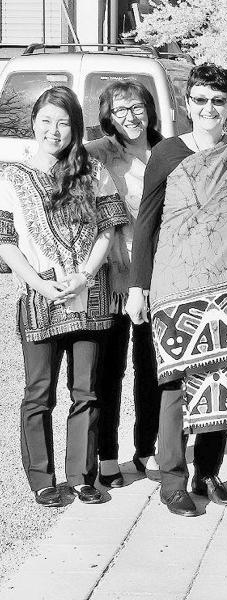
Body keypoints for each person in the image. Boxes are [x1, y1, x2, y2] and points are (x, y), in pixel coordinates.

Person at [126, 64, 227, 517]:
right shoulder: (167, 153)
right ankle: (171, 479)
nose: (209, 109)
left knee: (224, 378)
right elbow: (146, 224)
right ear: (188, 105)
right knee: (174, 385)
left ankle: (208, 472)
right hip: (175, 285)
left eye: (217, 101)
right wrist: (137, 287)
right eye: (200, 100)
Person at [0, 86, 128, 506]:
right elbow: (5, 241)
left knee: (87, 391)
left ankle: (81, 476)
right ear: (34, 122)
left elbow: (108, 228)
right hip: (40, 297)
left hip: (89, 295)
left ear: (75, 127)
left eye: (64, 123)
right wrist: (39, 283)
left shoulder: (92, 172)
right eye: (46, 121)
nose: (54, 131)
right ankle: (41, 479)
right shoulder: (11, 176)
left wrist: (86, 275)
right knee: (38, 393)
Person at [86, 79, 164, 487]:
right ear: (108, 118)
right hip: (114, 276)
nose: (131, 117)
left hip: (156, 276)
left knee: (151, 369)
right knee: (109, 370)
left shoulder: (166, 150)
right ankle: (107, 454)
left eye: (136, 108)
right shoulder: (100, 153)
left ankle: (146, 447)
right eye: (120, 111)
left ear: (149, 109)